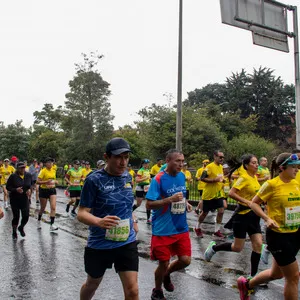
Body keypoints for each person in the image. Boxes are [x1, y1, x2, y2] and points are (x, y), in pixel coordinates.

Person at [77, 137, 139, 300]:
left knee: (132, 290)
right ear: (107, 157)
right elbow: (81, 213)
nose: (123, 162)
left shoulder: (127, 177)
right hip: (100, 244)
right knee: (92, 284)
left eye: (126, 157)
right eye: (118, 157)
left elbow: (127, 204)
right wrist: (99, 222)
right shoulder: (94, 180)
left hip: (126, 241)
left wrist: (133, 219)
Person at [237, 153, 300, 300]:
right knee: (293, 277)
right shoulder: (271, 185)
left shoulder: (297, 181)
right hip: (278, 235)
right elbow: (253, 203)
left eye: (298, 167)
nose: (297, 170)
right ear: (282, 168)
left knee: (276, 274)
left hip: (296, 233)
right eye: (293, 167)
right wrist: (266, 218)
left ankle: (246, 285)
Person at [204, 155, 262, 279]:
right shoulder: (244, 178)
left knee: (258, 245)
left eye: (257, 163)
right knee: (237, 248)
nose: (257, 165)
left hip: (253, 216)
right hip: (242, 216)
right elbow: (231, 193)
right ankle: (214, 248)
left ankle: (253, 276)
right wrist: (246, 202)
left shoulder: (255, 178)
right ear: (246, 165)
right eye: (254, 163)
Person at [146, 149, 193, 300]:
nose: (181, 164)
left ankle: (167, 274)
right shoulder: (158, 179)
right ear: (168, 161)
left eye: (182, 161)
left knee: (185, 260)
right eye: (177, 161)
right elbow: (149, 204)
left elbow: (181, 196)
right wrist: (169, 200)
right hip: (162, 229)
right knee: (163, 263)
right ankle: (157, 291)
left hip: (180, 227)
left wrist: (186, 204)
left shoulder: (182, 176)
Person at [194, 150, 226, 238]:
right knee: (205, 213)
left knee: (221, 211)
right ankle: (197, 227)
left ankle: (216, 230)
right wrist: (213, 180)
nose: (222, 159)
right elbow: (202, 178)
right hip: (208, 195)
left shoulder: (220, 167)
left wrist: (222, 180)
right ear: (215, 157)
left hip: (218, 194)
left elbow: (219, 178)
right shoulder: (209, 167)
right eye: (220, 157)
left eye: (223, 157)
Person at [6, 162, 32, 239]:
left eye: (24, 167)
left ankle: (21, 227)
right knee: (16, 216)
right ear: (17, 168)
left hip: (24, 198)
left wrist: (30, 190)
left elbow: (30, 184)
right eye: (21, 168)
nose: (23, 169)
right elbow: (8, 187)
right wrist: (16, 189)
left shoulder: (28, 175)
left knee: (26, 216)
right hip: (15, 199)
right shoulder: (13, 176)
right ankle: (14, 231)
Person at [36, 157, 59, 232]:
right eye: (49, 162)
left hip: (52, 190)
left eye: (52, 162)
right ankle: (39, 220)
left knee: (53, 207)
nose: (51, 164)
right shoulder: (43, 171)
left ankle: (52, 224)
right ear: (46, 164)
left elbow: (53, 179)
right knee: (43, 207)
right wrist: (46, 182)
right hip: (43, 190)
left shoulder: (54, 170)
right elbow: (37, 182)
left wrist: (55, 182)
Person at [133, 159, 152, 223]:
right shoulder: (140, 171)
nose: (147, 165)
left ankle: (148, 219)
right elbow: (137, 180)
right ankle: (129, 213)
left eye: (147, 163)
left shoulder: (147, 170)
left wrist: (150, 179)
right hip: (140, 188)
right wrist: (145, 178)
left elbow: (148, 178)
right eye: (146, 163)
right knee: (138, 204)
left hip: (147, 187)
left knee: (148, 203)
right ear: (143, 164)